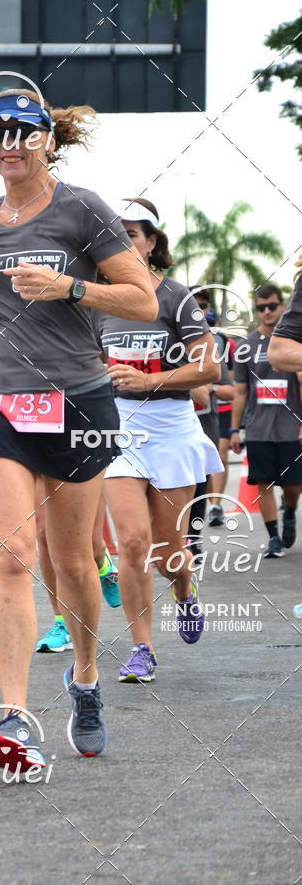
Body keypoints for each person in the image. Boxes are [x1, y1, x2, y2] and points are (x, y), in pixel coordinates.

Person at [0, 90, 157, 765]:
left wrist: (72, 287)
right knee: (13, 555)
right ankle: (14, 717)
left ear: (47, 141)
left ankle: (87, 680)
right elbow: (10, 311)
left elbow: (144, 300)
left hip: (74, 400)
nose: (7, 142)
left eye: (21, 132)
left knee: (72, 563)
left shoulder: (84, 209)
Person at [95, 198, 222, 683]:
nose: (123, 243)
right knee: (130, 541)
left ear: (151, 242)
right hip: (118, 431)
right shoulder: (98, 302)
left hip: (171, 428)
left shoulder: (174, 297)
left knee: (169, 555)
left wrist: (149, 381)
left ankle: (184, 587)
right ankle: (142, 647)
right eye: (114, 234)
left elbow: (208, 368)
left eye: (132, 234)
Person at [232, 284, 302, 558]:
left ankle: (291, 511)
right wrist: (234, 429)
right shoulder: (246, 346)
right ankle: (273, 537)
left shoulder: (293, 343)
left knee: (293, 486)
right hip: (258, 427)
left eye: (272, 305)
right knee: (263, 483)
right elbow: (240, 391)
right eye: (262, 307)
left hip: (290, 428)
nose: (268, 311)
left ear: (283, 306)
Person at [35, 477, 119, 654]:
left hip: (82, 453)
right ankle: (62, 622)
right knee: (44, 531)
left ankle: (104, 565)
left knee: (91, 544)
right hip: (37, 452)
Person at [187, 289, 235, 555]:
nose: (197, 311)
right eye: (191, 306)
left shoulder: (215, 343)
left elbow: (228, 391)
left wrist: (207, 386)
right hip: (167, 422)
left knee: (200, 481)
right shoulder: (165, 337)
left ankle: (193, 537)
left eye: (202, 306)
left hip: (205, 422)